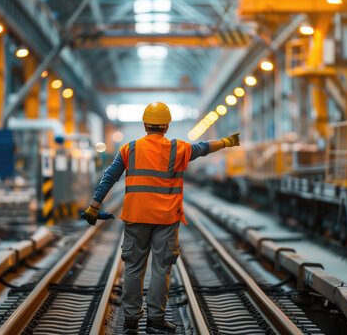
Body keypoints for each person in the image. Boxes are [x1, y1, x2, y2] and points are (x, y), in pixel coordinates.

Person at [83, 102, 239, 334]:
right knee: (161, 269)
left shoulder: (129, 148)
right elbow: (204, 147)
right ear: (166, 126)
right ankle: (155, 321)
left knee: (134, 268)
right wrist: (227, 142)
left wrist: (94, 206)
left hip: (136, 217)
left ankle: (131, 321)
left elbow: (109, 177)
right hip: (166, 219)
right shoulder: (178, 148)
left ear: (145, 125)